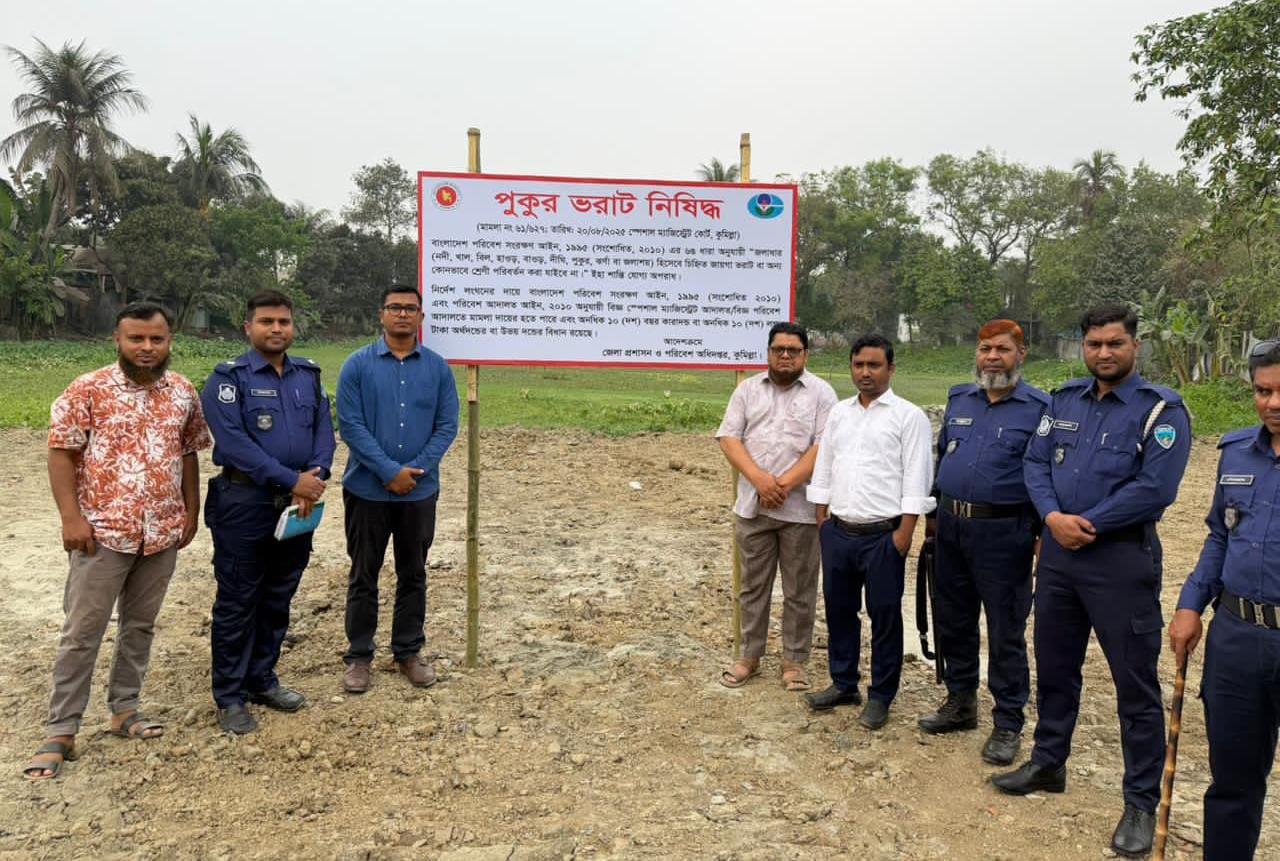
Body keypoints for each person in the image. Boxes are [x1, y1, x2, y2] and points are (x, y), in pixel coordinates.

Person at [993, 305, 1192, 858]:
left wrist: (1090, 524)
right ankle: (1048, 762)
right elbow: (1036, 463)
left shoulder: (1161, 411)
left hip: (1120, 562)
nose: (1104, 353)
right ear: (1083, 346)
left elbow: (1156, 488)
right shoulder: (1063, 401)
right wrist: (1052, 517)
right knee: (1056, 668)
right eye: (1095, 344)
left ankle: (1140, 802)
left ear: (1135, 346)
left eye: (1115, 344)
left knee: (1134, 685)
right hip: (1060, 559)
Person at [23, 302, 211, 780]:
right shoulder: (88, 389)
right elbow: (61, 453)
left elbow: (189, 452)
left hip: (161, 533)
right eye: (136, 339)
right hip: (102, 533)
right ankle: (61, 730)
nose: (147, 348)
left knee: (139, 626)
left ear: (170, 341)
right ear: (118, 340)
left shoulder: (183, 392)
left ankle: (124, 709)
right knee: (82, 632)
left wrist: (191, 510)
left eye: (156, 339)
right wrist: (71, 518)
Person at [202, 290, 336, 734]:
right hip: (244, 504)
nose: (276, 329)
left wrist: (316, 475)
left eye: (283, 321)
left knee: (279, 596)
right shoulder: (228, 380)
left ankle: (262, 679)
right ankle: (230, 696)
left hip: (298, 504)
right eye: (266, 321)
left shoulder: (308, 376)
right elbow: (235, 444)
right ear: (248, 327)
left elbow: (324, 431)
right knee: (238, 600)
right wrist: (292, 479)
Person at [918, 320, 1048, 766]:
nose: (992, 357)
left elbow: (1046, 475)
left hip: (1005, 533)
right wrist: (932, 519)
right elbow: (942, 459)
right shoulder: (960, 399)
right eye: (985, 349)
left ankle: (1008, 722)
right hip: (952, 526)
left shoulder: (1040, 409)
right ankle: (961, 702)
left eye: (1002, 349)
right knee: (953, 619)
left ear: (1021, 354)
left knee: (1005, 629)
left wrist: (1041, 534)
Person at [1169, 338, 1280, 860]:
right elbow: (1220, 535)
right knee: (1233, 781)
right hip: (1236, 638)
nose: (1273, 403)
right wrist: (1190, 604)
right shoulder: (1237, 454)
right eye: (1263, 391)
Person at [804, 334, 935, 729]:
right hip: (839, 531)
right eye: (859, 365)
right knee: (840, 612)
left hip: (884, 536)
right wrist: (821, 516)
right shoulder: (840, 414)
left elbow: (917, 476)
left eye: (874, 365)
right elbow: (826, 463)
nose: (865, 372)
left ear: (890, 369)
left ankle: (881, 696)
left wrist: (904, 534)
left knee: (885, 617)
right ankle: (844, 683)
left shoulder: (908, 416)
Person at [336, 286, 459, 693]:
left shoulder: (438, 369)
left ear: (421, 317)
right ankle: (359, 656)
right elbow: (351, 425)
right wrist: (389, 471)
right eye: (395, 307)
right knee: (363, 573)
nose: (402, 314)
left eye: (410, 308)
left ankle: (408, 651)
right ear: (381, 314)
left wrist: (415, 471)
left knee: (413, 573)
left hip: (418, 493)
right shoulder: (357, 366)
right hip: (367, 491)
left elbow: (447, 425)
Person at [714, 322, 838, 691]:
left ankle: (794, 662)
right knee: (753, 587)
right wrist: (760, 481)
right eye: (778, 349)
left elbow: (824, 446)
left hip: (800, 511)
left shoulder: (822, 393)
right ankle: (748, 657)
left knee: (800, 589)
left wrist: (782, 485)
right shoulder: (747, 390)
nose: (785, 355)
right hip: (754, 507)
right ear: (768, 352)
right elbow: (729, 437)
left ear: (805, 355)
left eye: (793, 350)